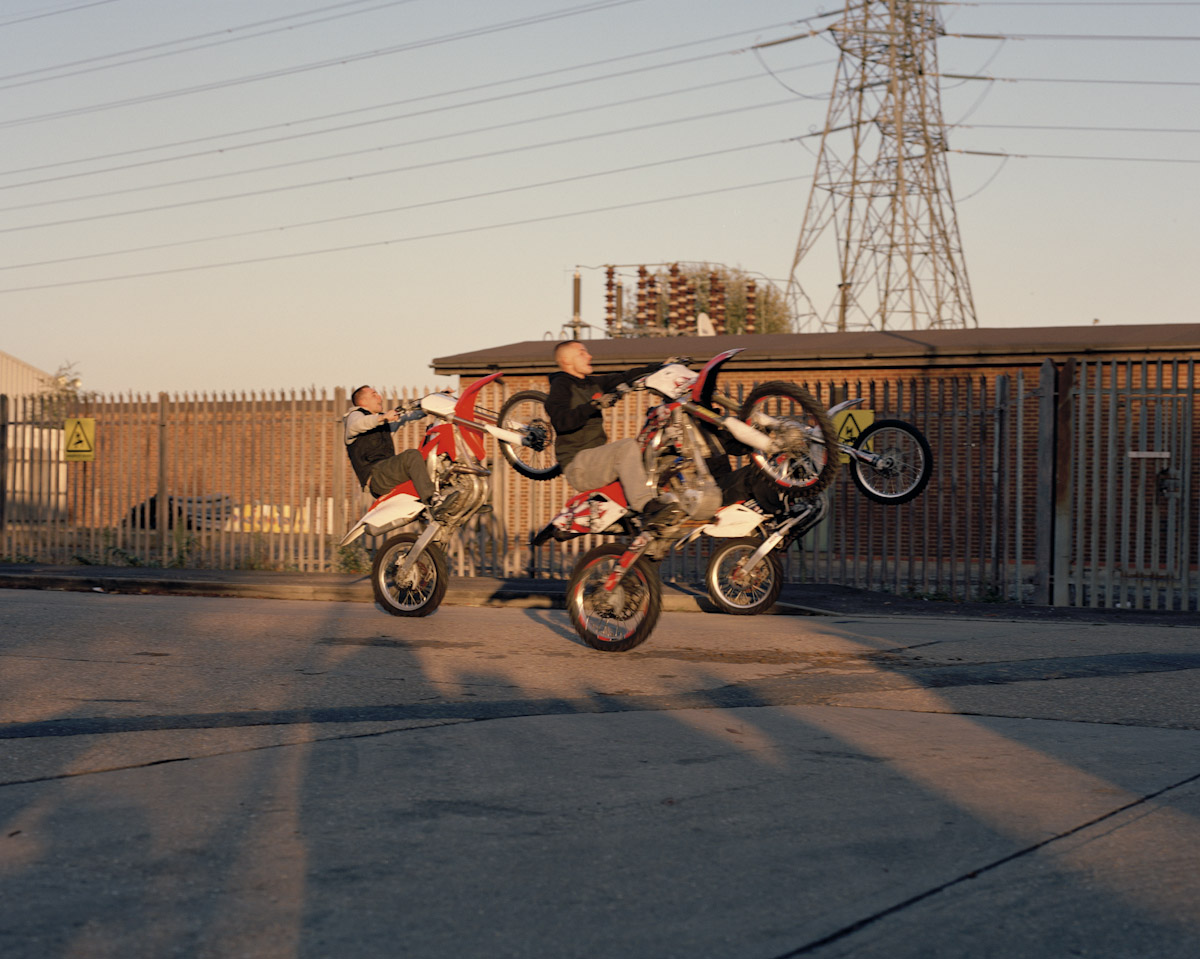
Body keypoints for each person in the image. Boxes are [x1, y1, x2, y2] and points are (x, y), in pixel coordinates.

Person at [546, 340, 680, 523]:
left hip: (595, 460)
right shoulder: (561, 386)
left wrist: (663, 367)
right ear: (566, 360)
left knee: (649, 449)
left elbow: (626, 377)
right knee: (626, 447)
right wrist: (593, 405)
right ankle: (647, 506)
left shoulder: (592, 383)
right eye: (582, 353)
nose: (589, 356)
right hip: (579, 465)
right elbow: (562, 421)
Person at [343, 385, 457, 517]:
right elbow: (359, 424)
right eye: (374, 394)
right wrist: (382, 417)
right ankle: (432, 500)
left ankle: (453, 497)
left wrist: (437, 399)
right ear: (363, 402)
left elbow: (409, 415)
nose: (379, 397)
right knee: (411, 455)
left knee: (431, 459)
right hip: (376, 477)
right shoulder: (354, 416)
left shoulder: (382, 421)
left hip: (389, 474)